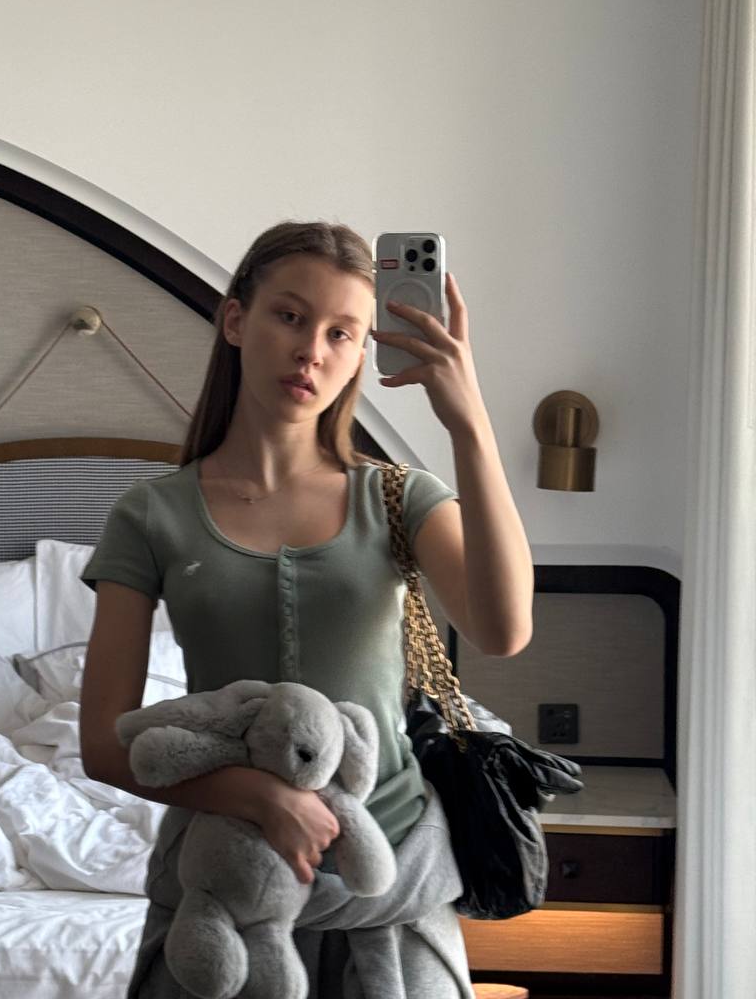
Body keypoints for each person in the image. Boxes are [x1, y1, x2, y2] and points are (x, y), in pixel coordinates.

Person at [79, 219, 535, 998]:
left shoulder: (399, 499)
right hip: (221, 889)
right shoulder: (151, 515)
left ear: (361, 354)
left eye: (341, 333)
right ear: (236, 320)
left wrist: (469, 424)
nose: (311, 350)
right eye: (290, 316)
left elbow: (504, 629)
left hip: (393, 887)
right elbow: (103, 743)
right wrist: (261, 798)